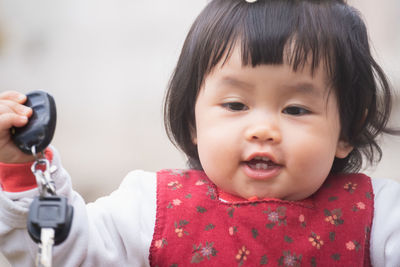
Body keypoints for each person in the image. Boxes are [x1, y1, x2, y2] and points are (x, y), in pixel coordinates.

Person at [1, 0, 400, 266]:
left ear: (346, 128)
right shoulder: (149, 209)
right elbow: (66, 250)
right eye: (235, 105)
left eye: (295, 109)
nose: (263, 129)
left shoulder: (380, 216)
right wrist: (22, 172)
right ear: (193, 120)